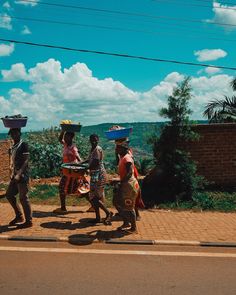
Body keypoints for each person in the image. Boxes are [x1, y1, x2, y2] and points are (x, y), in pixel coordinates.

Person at [6, 128, 32, 228]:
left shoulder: (24, 145)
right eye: (12, 133)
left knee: (23, 198)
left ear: (20, 133)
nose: (13, 135)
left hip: (22, 175)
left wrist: (19, 173)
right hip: (15, 175)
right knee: (9, 195)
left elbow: (26, 161)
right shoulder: (14, 146)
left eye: (15, 133)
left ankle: (29, 221)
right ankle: (19, 216)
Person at [115, 138, 144, 221]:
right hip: (126, 179)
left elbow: (129, 172)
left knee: (130, 199)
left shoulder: (127, 154)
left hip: (129, 180)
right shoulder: (122, 155)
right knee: (126, 200)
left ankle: (134, 217)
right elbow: (118, 162)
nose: (116, 149)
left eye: (118, 147)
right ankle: (127, 219)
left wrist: (122, 182)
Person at [53, 131, 82, 214]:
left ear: (71, 137)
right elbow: (59, 139)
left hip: (72, 171)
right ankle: (94, 206)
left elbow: (78, 158)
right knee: (78, 189)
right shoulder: (66, 145)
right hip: (67, 171)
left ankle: (63, 208)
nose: (65, 138)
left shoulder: (73, 148)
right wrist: (63, 131)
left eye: (66, 137)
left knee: (63, 187)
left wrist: (82, 166)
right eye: (65, 137)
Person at [86, 134, 112, 224]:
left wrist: (85, 168)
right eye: (92, 140)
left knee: (94, 198)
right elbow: (89, 160)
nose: (94, 141)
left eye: (95, 140)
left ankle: (108, 213)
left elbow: (95, 163)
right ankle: (98, 217)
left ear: (98, 140)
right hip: (95, 175)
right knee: (94, 196)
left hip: (99, 175)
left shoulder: (97, 149)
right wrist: (80, 163)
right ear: (90, 140)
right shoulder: (93, 149)